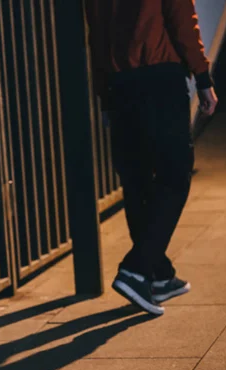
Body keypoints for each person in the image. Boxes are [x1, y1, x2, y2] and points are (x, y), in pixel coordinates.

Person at [85, 0, 218, 315]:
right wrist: (203, 77)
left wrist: (105, 96)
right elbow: (182, 18)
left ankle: (158, 276)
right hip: (160, 80)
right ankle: (137, 269)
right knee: (174, 175)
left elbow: (97, 35)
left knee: (137, 182)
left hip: (120, 87)